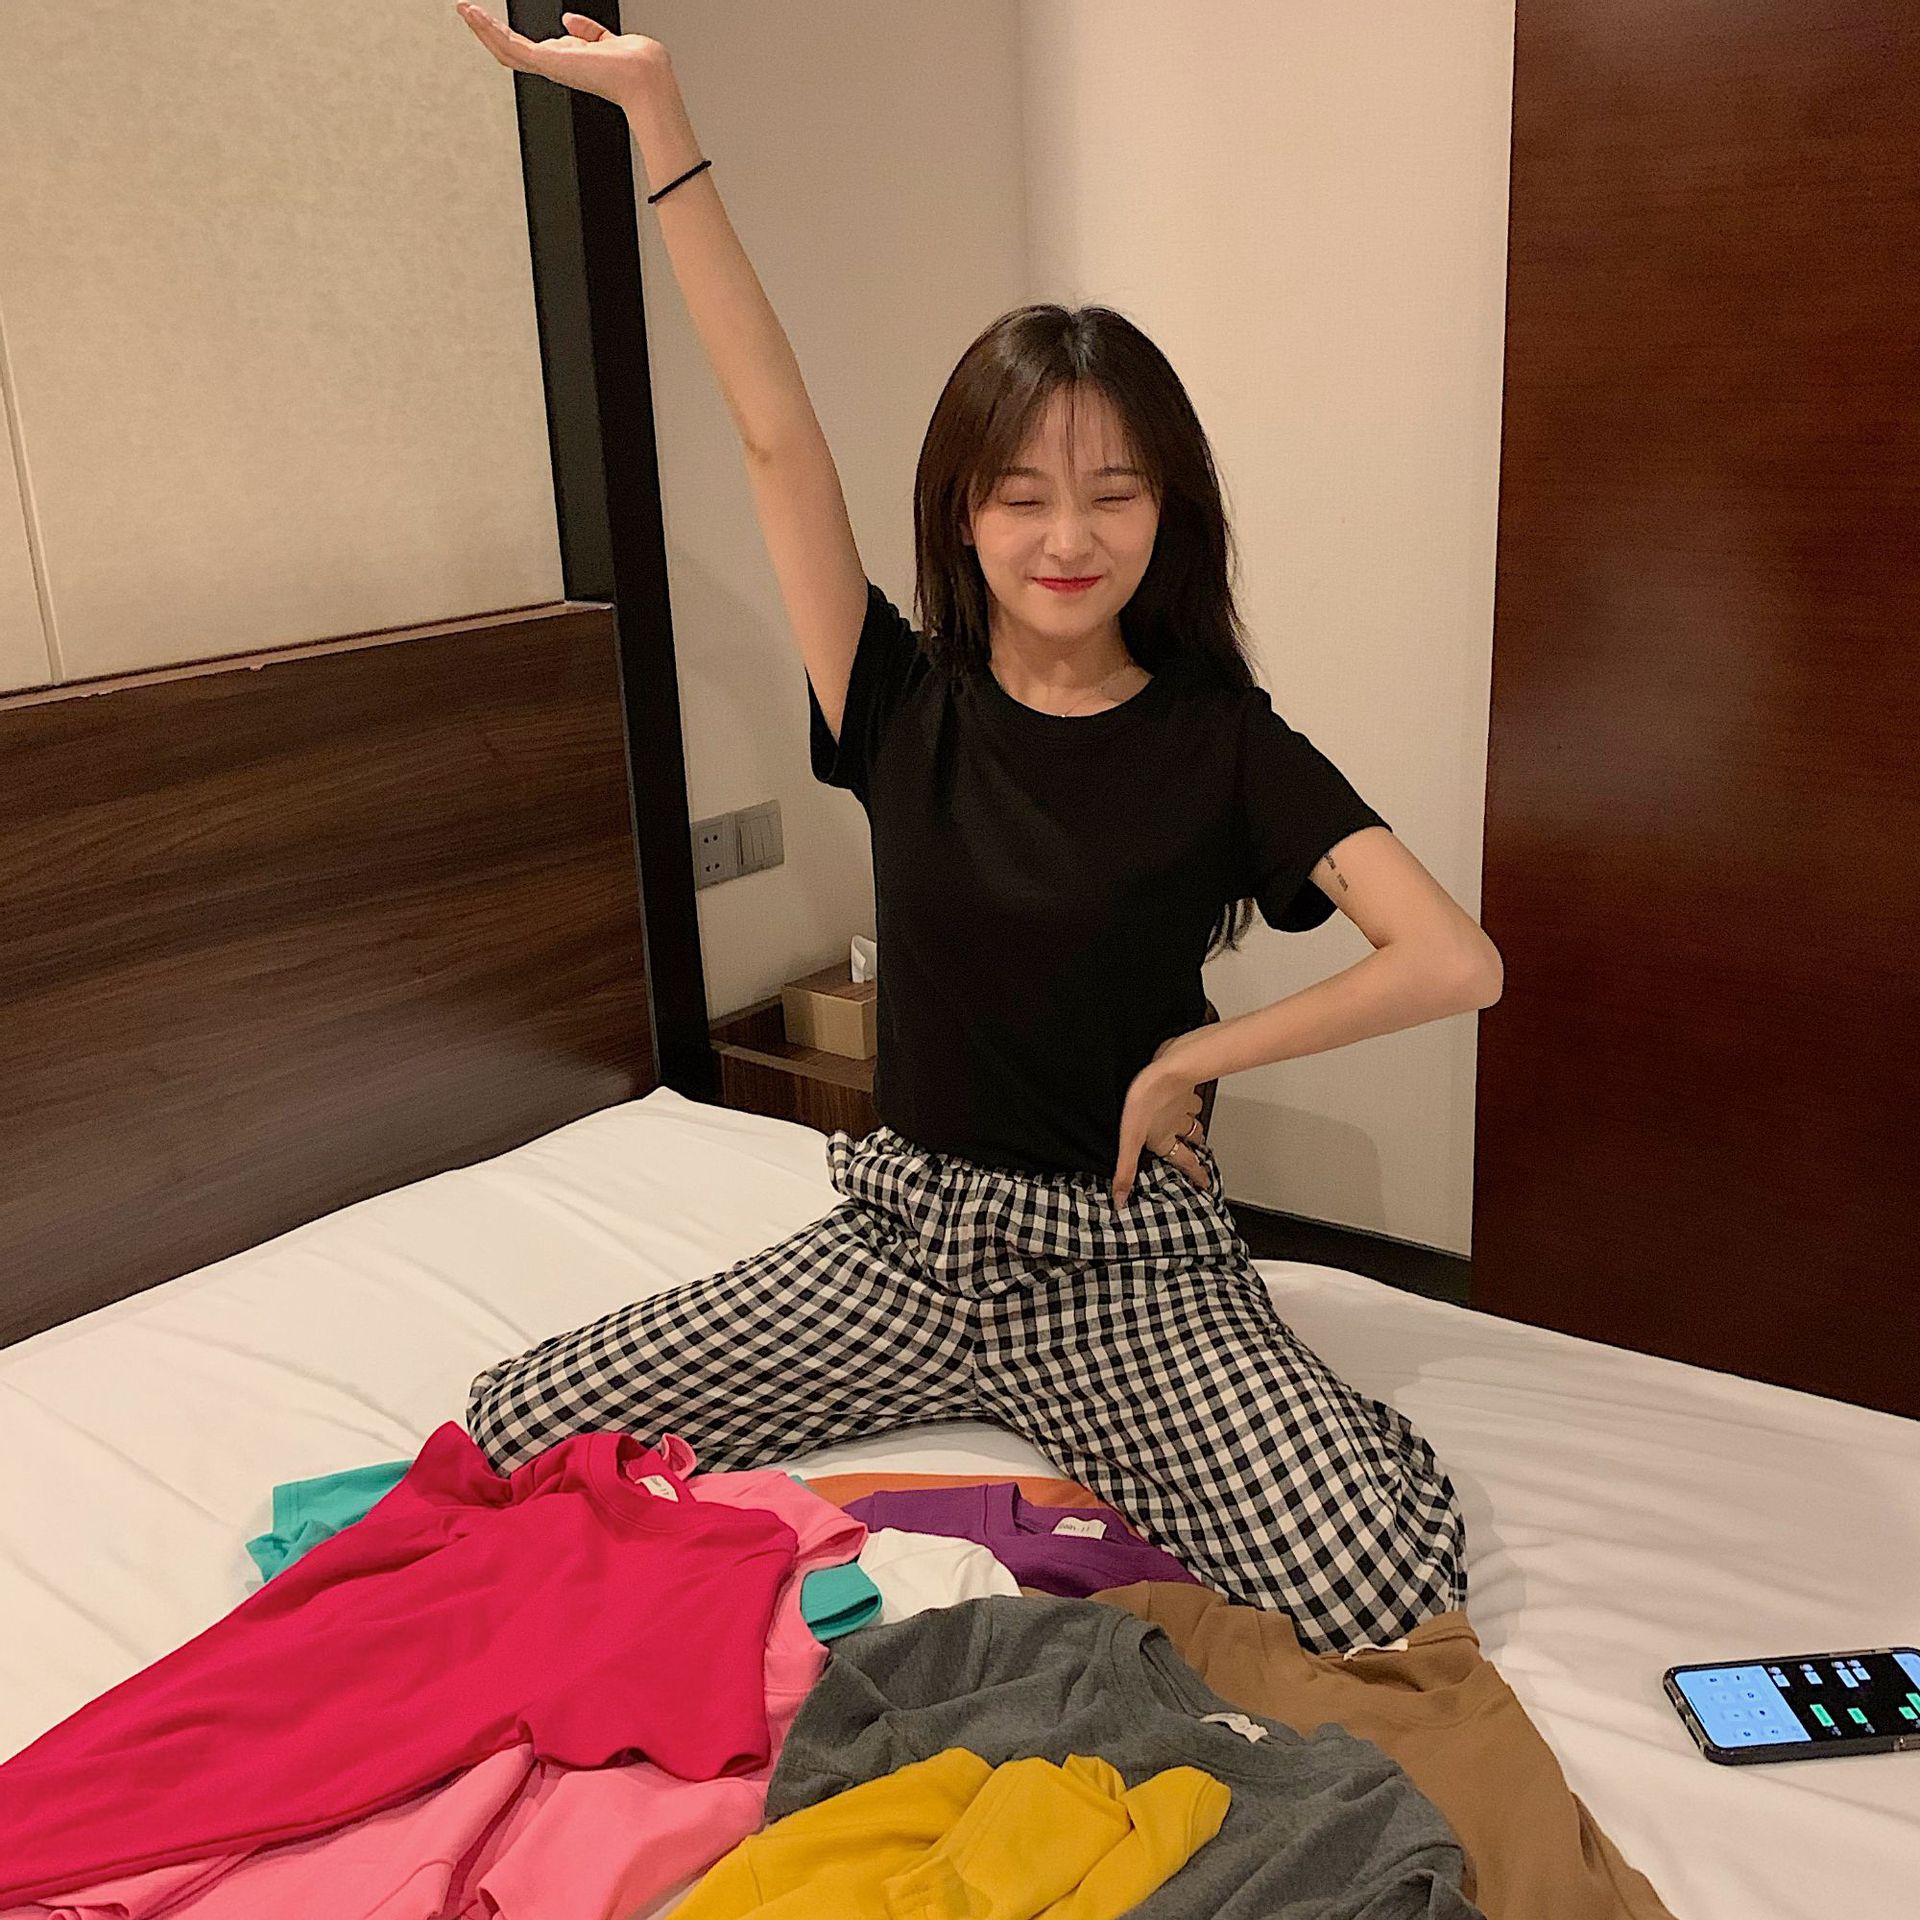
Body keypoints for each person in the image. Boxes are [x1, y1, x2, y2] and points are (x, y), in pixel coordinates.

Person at [452, 6, 1503, 1653]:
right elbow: (775, 433)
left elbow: (1454, 959)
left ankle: (1187, 1413)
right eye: (1021, 493)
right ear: (963, 510)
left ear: (1168, 512)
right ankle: (1048, 1434)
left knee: (1379, 1582)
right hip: (906, 1239)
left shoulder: (1220, 740)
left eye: (1114, 492)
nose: (1067, 535)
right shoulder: (898, 696)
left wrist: (1195, 1060)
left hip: (1119, 1260)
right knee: (520, 1430)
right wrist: (658, 115)